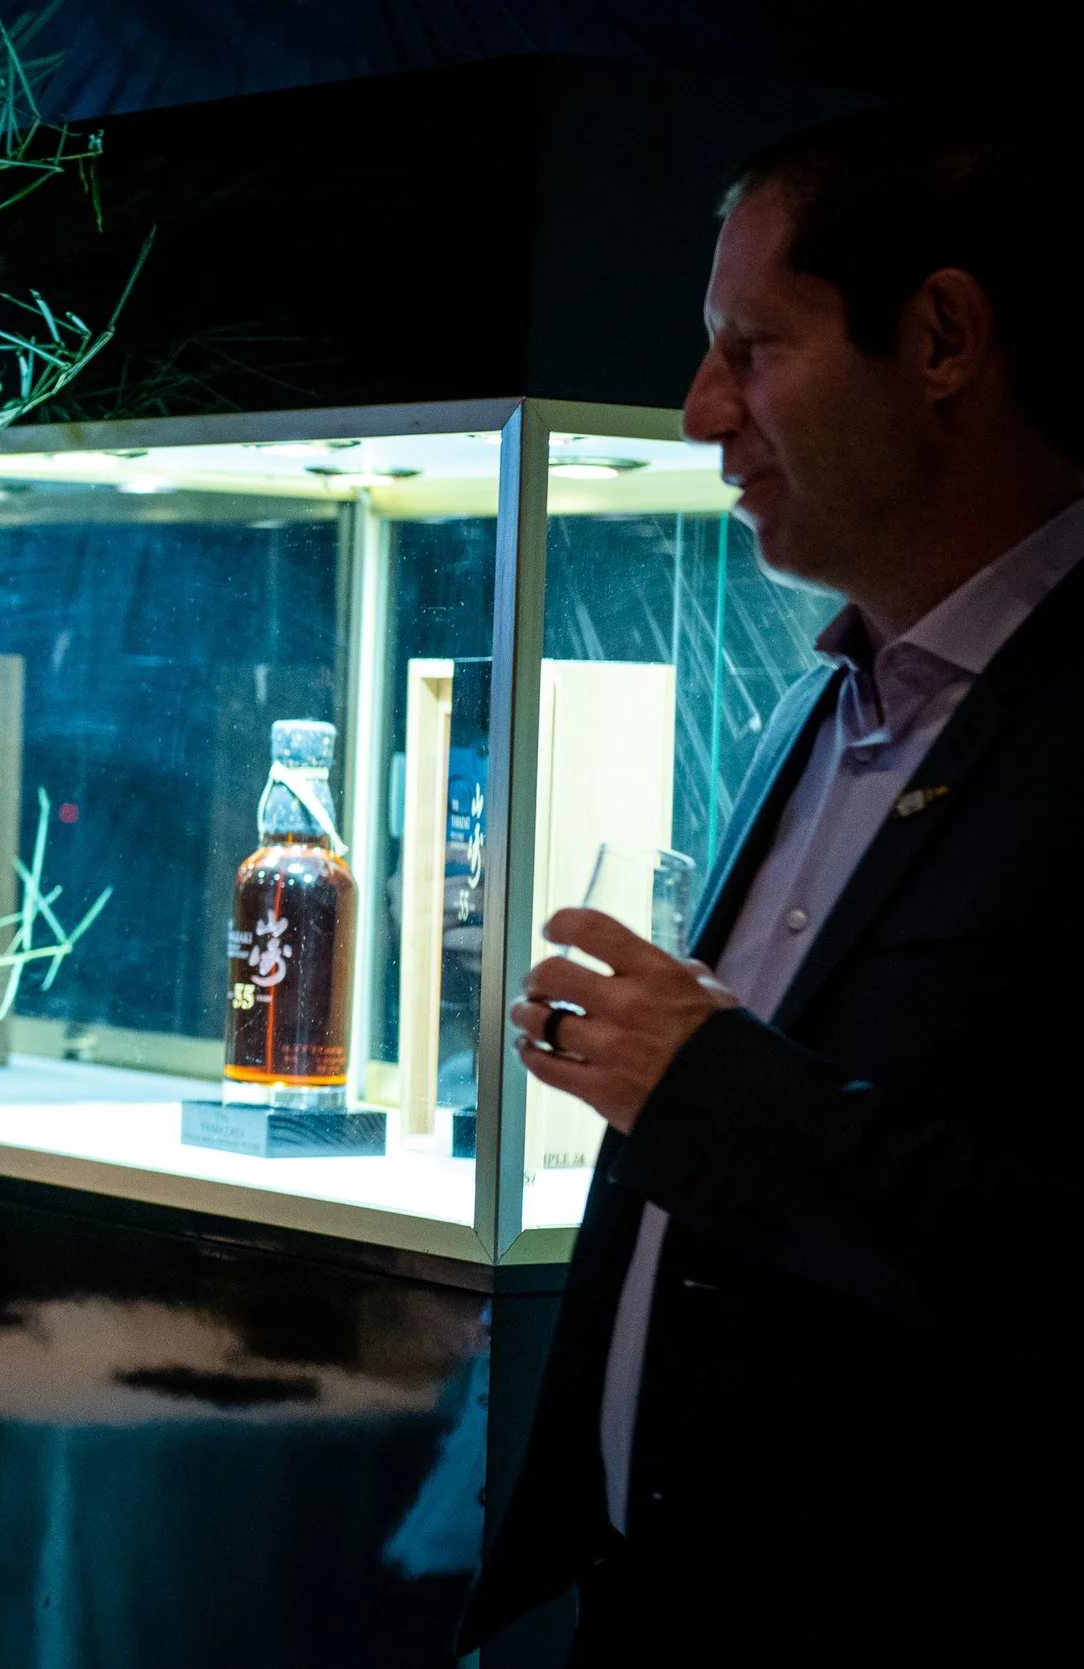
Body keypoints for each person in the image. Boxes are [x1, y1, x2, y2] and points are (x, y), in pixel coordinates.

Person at [462, 107, 1081, 1663]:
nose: (697, 412)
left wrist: (713, 1088)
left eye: (753, 350)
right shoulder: (823, 698)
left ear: (941, 340)